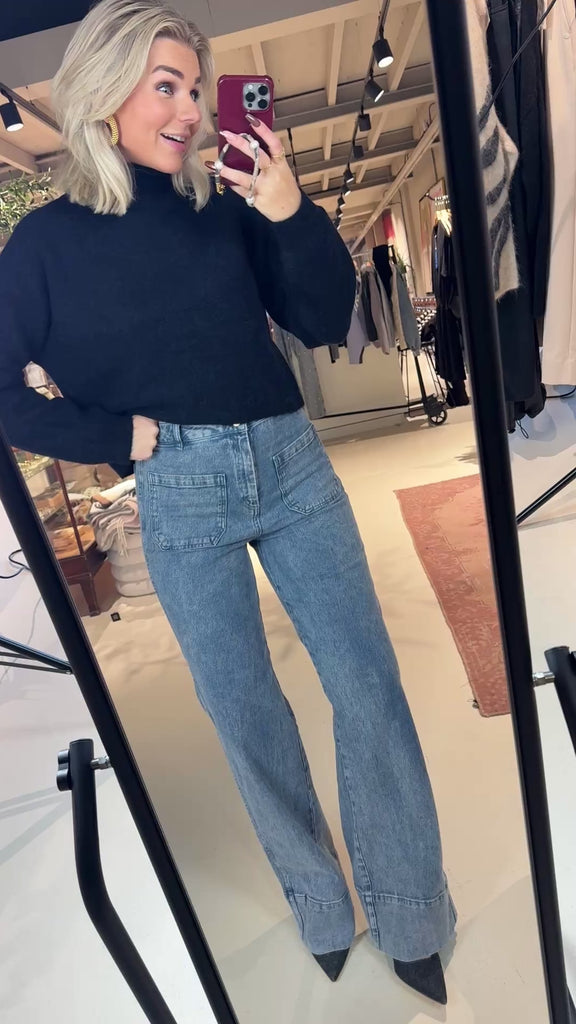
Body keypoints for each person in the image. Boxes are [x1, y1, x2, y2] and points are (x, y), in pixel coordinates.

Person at [0, 0, 455, 1002]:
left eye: (197, 88)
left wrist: (289, 209)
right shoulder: (42, 246)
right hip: (180, 488)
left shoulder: (226, 202)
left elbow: (324, 314)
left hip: (291, 463)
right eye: (165, 85)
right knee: (247, 715)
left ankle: (412, 911)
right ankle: (323, 906)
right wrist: (110, 437)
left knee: (367, 686)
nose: (190, 109)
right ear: (104, 91)